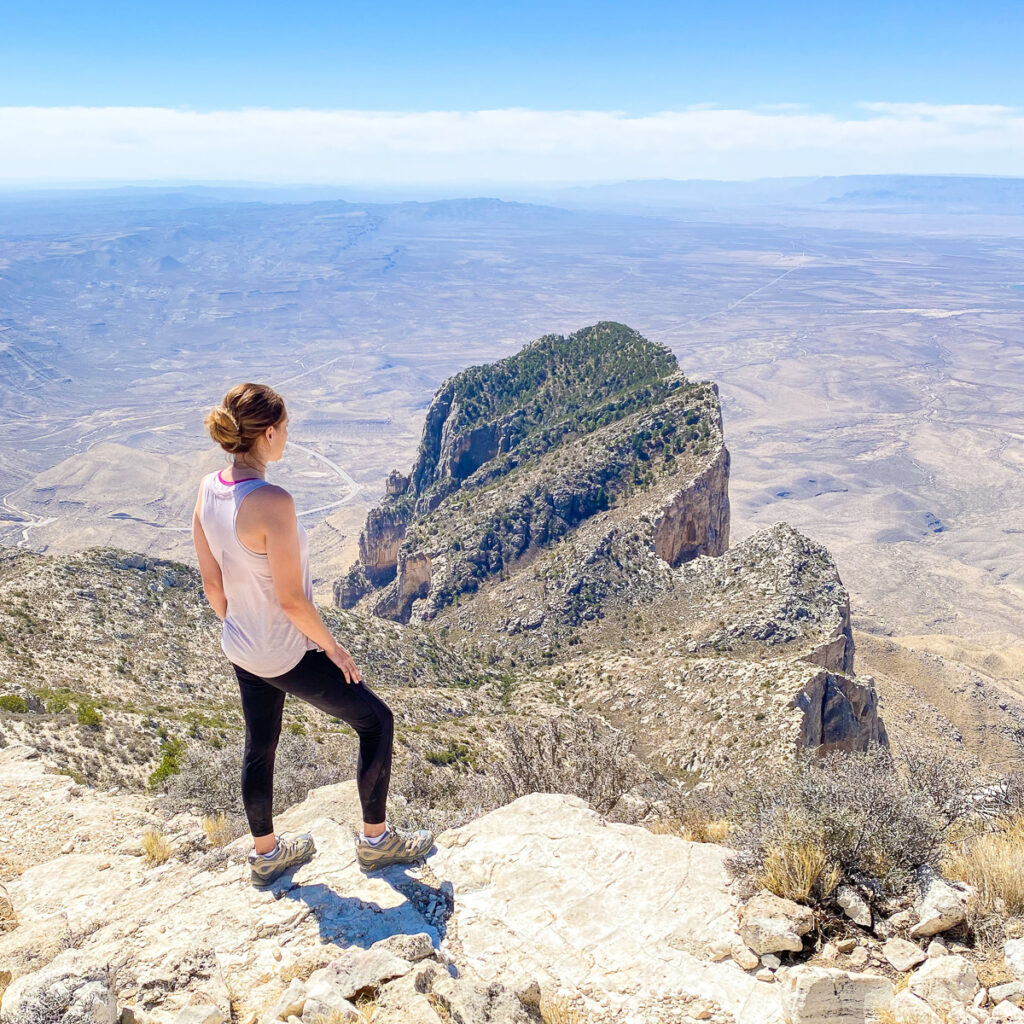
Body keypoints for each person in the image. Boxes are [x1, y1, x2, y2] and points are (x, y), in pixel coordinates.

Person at [191, 381, 434, 888]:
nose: (287, 439)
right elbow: (292, 602)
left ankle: (266, 855)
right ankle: (376, 843)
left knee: (260, 744)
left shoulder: (208, 488)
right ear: (270, 432)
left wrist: (243, 627)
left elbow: (213, 585)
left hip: (241, 644)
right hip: (285, 650)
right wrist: (334, 648)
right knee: (376, 722)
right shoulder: (272, 501)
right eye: (286, 430)